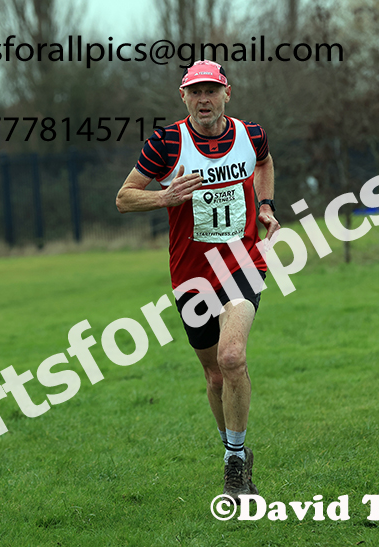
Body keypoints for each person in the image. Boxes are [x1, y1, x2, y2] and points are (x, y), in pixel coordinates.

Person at [116, 60, 279, 502]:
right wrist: (164, 196)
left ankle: (234, 463)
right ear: (183, 96)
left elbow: (263, 162)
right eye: (195, 92)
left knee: (231, 358)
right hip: (191, 278)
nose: (203, 99)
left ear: (228, 93)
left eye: (211, 91)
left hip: (243, 265)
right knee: (213, 375)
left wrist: (265, 205)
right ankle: (237, 454)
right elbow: (124, 197)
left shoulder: (251, 134)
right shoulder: (167, 142)